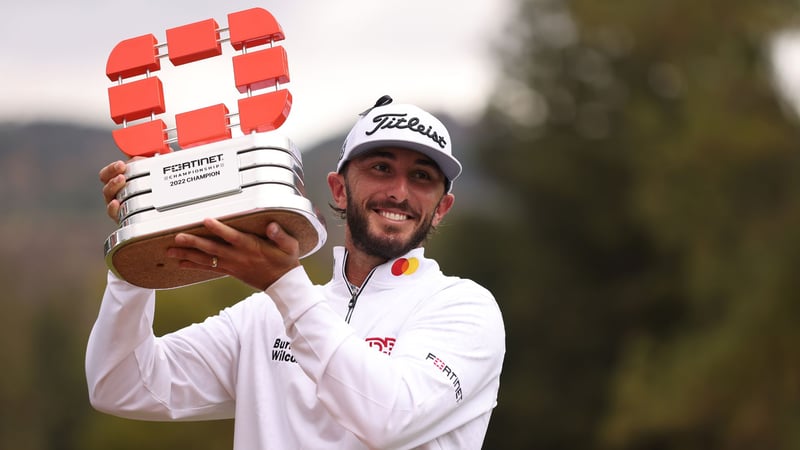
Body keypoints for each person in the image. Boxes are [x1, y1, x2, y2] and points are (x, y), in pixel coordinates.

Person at [86, 95, 506, 449]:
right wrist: (137, 245)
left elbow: (388, 417)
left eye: (421, 177)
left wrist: (284, 284)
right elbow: (121, 385)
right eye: (381, 168)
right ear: (340, 189)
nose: (399, 191)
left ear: (442, 207)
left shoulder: (464, 308)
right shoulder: (264, 316)